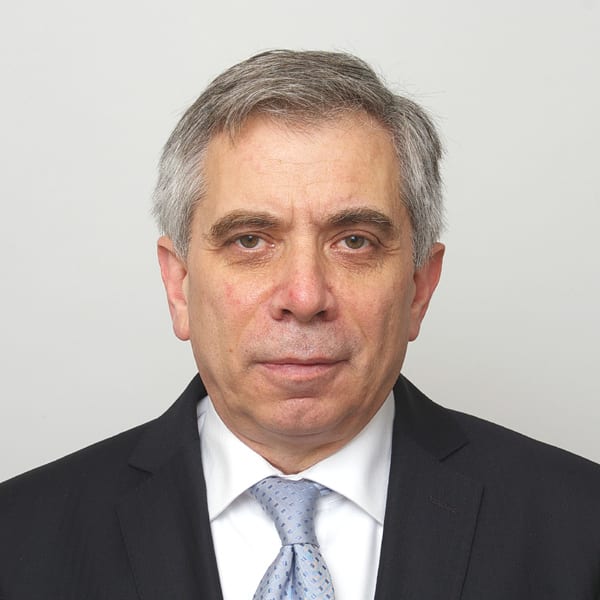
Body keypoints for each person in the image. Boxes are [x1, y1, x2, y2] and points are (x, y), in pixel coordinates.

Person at [0, 49, 599, 600]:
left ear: (419, 287)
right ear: (178, 286)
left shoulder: (581, 528)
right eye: (250, 240)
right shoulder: (19, 536)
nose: (305, 297)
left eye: (355, 241)